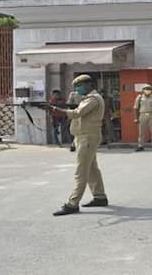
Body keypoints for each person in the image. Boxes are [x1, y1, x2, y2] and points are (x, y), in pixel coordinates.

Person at [51, 74, 108, 216]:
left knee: (81, 171)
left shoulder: (93, 99)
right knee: (92, 168)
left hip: (87, 138)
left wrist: (56, 110)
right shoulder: (88, 99)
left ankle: (73, 203)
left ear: (89, 85)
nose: (77, 89)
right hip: (85, 137)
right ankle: (100, 196)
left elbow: (77, 113)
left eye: (79, 86)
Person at [133, 84, 152, 152]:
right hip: (142, 115)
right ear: (143, 90)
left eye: (149, 89)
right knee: (141, 132)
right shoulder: (139, 98)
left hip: (151, 115)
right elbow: (136, 108)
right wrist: (136, 118)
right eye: (146, 89)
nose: (148, 90)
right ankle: (140, 145)